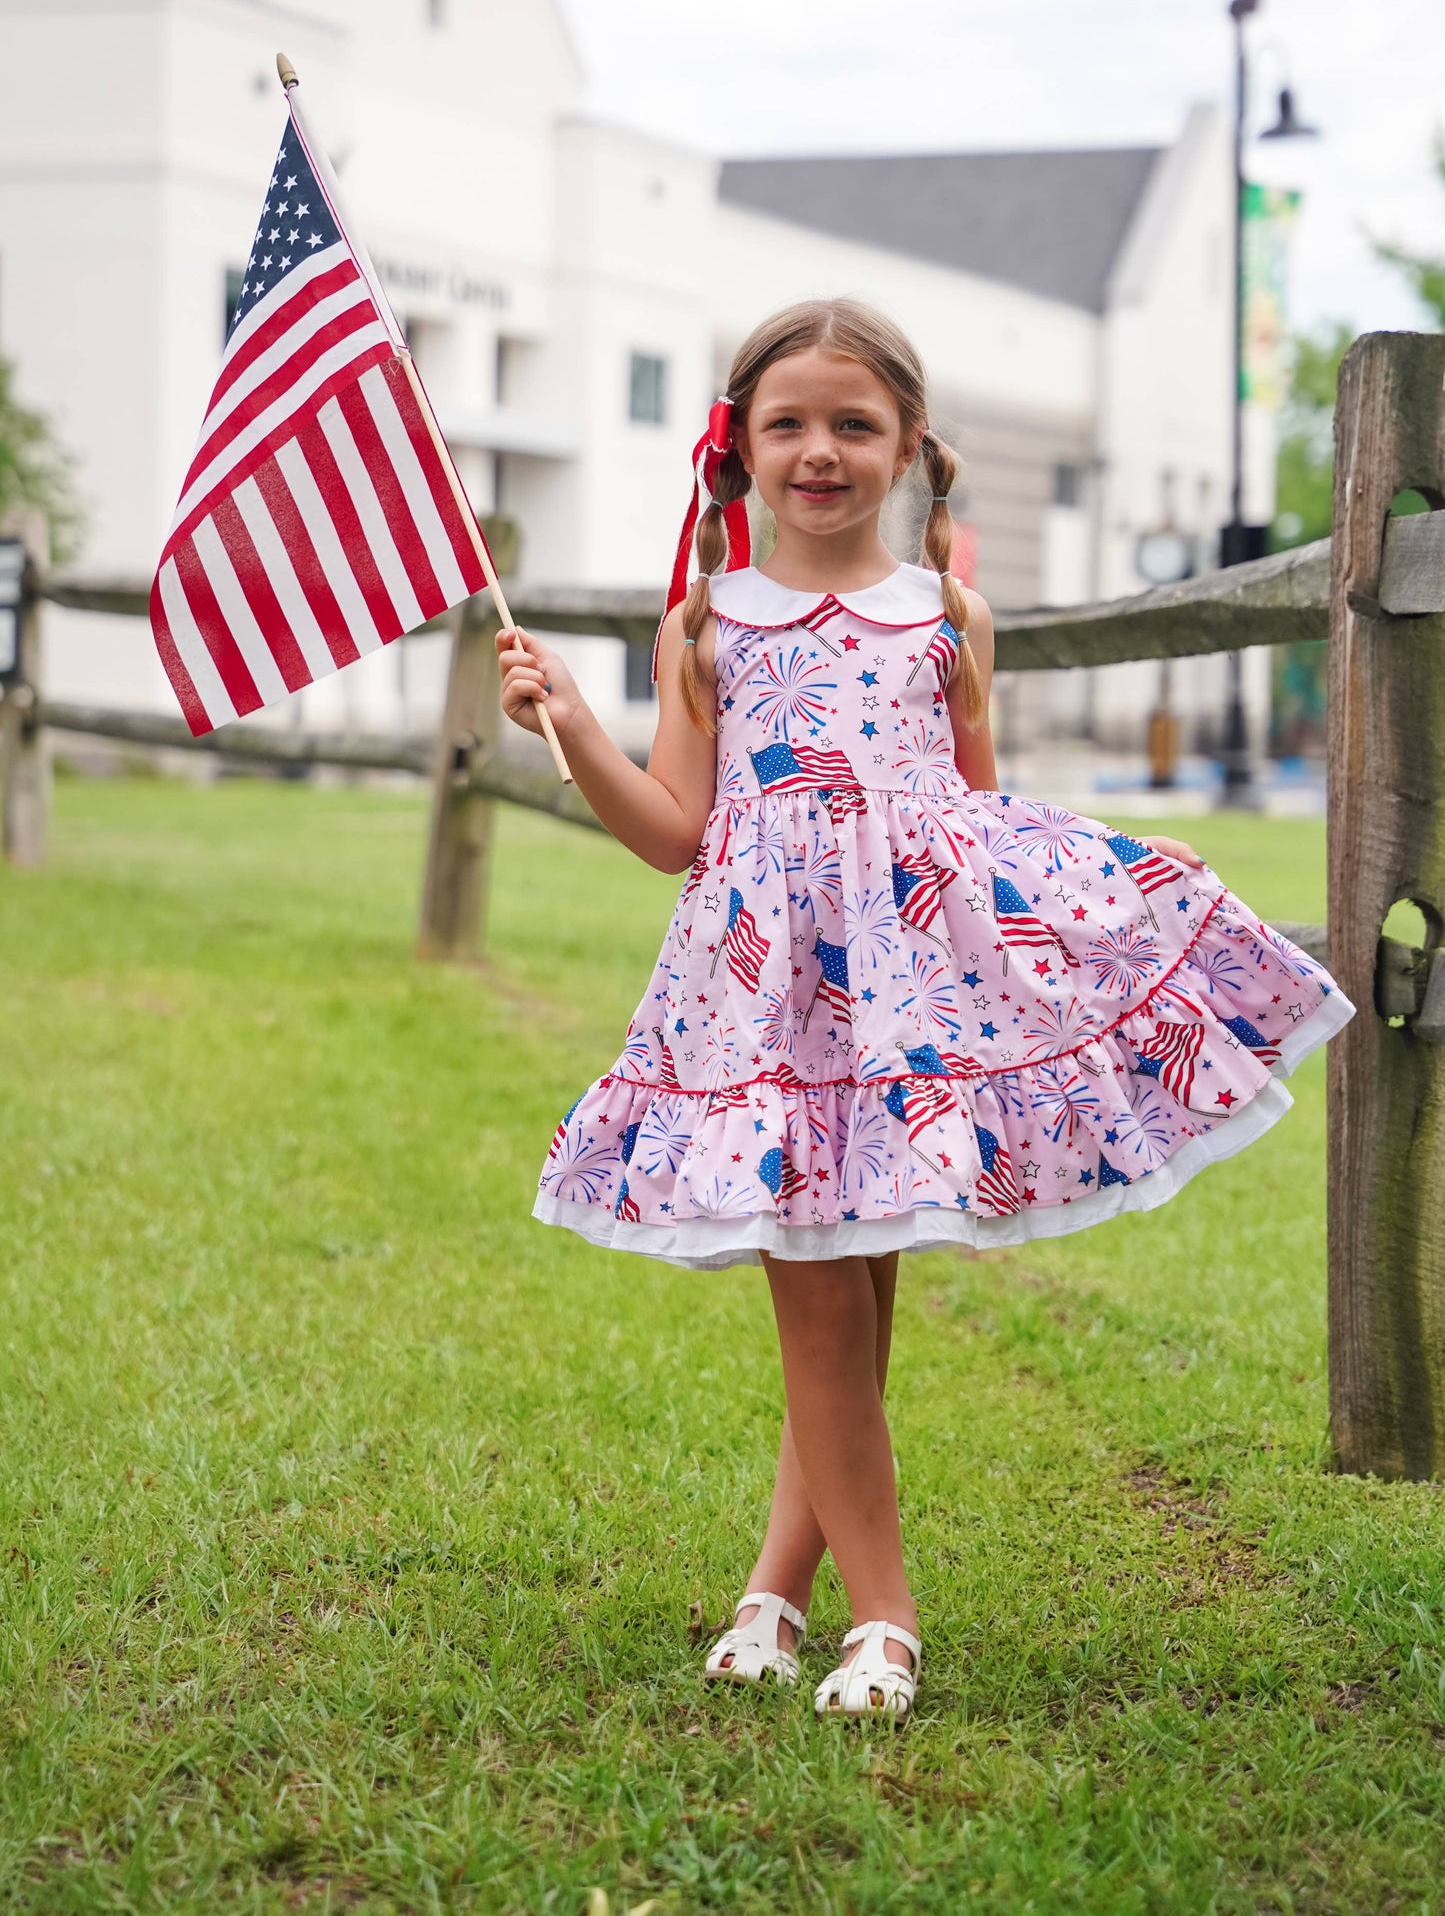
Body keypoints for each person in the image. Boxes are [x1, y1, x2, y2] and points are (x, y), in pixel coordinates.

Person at [496, 298, 1352, 1721]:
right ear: (739, 446)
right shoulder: (706, 624)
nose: (817, 450)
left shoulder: (948, 615)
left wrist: (1070, 920)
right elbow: (670, 829)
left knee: (856, 1292)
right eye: (787, 423)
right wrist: (575, 724)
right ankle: (880, 1619)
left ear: (909, 448)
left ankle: (780, 1593)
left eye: (852, 423)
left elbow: (967, 800)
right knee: (818, 1305)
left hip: (911, 1007)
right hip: (764, 1009)